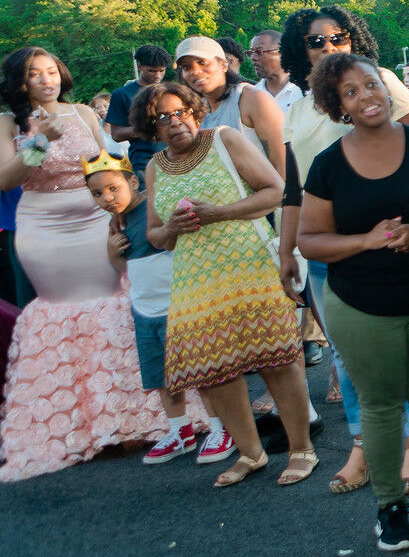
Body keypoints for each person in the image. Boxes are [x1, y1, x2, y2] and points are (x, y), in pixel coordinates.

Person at [299, 52, 409, 550]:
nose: (366, 97)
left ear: (388, 88)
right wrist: (367, 240)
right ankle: (390, 508)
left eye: (371, 85)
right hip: (358, 304)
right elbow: (311, 240)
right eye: (350, 93)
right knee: (379, 407)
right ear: (338, 107)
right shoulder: (328, 165)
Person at [278, 5, 409, 493]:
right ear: (298, 50)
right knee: (347, 357)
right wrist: (288, 252)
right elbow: (293, 189)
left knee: (400, 350)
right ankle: (363, 446)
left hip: (394, 243)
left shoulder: (381, 81)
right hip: (331, 250)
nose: (329, 47)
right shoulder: (296, 109)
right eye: (316, 41)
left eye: (338, 37)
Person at [0, 48, 170, 481]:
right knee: (64, 310)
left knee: (113, 301)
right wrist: (41, 141)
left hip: (96, 216)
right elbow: (5, 179)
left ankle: (134, 419)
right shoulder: (6, 124)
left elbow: (104, 165)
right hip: (43, 226)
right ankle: (76, 425)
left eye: (51, 70)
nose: (45, 79)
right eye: (33, 74)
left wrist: (126, 207)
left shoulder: (82, 113)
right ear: (19, 83)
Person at [137, 81, 316, 487]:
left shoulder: (224, 139)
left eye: (180, 111)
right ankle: (252, 454)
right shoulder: (154, 167)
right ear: (152, 129)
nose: (174, 122)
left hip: (248, 267)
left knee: (277, 359)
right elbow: (153, 235)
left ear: (194, 110)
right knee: (215, 370)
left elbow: (275, 192)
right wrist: (171, 229)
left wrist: (220, 212)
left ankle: (302, 448)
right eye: (162, 118)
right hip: (194, 279)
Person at [87, 151, 224, 465]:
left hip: (179, 305)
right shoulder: (116, 224)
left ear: (133, 181)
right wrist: (112, 253)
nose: (107, 198)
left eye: (113, 188)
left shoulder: (154, 207)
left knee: (200, 373)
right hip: (145, 310)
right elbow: (127, 268)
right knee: (163, 377)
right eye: (97, 193)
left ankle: (221, 427)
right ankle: (180, 431)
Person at [176, 36, 286, 177]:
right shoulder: (197, 111)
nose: (195, 71)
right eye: (187, 67)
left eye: (202, 62)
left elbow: (283, 164)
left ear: (223, 64)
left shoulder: (252, 98)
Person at [104, 44, 172, 182]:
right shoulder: (122, 94)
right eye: (152, 71)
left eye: (162, 70)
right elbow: (116, 134)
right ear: (140, 67)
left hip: (175, 159)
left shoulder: (170, 91)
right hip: (144, 164)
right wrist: (146, 127)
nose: (158, 75)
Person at [250, 30, 303, 113]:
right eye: (250, 53)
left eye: (259, 52)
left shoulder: (304, 93)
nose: (253, 58)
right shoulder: (251, 95)